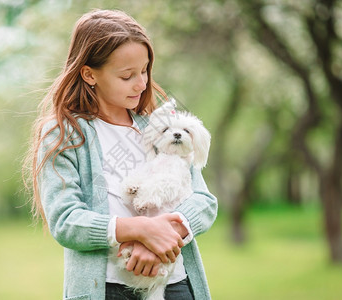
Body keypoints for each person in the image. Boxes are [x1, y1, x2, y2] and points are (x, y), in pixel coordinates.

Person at [24, 9, 218, 300]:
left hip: (175, 285)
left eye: (144, 71)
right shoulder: (64, 134)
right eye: (127, 76)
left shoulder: (158, 126)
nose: (141, 84)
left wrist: (159, 242)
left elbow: (203, 201)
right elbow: (66, 220)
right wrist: (138, 229)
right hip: (106, 289)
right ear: (89, 74)